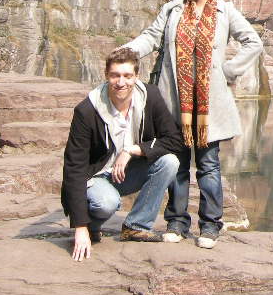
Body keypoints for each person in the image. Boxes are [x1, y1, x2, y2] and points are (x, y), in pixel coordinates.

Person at [123, 0, 263, 249]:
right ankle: (177, 222)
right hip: (175, 100)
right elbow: (150, 37)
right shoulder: (173, 9)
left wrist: (228, 70)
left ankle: (211, 225)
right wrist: (127, 53)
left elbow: (253, 42)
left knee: (209, 166)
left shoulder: (226, 11)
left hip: (208, 106)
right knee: (177, 163)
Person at [61, 47, 183, 261]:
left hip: (129, 170)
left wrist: (134, 150)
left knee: (169, 162)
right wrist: (79, 227)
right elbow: (74, 168)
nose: (121, 82)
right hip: (97, 177)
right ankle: (91, 226)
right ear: (107, 75)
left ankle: (136, 226)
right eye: (115, 75)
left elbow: (174, 139)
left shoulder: (150, 97)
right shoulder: (87, 111)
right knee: (107, 202)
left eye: (127, 76)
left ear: (136, 76)